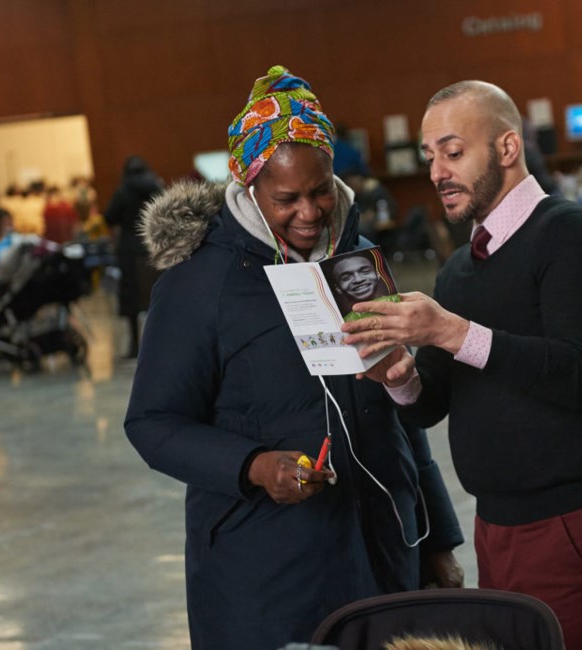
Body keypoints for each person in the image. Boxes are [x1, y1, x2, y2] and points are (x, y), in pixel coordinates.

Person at [124, 65, 464, 650]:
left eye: (320, 191)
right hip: (267, 571)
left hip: (385, 550)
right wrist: (254, 466)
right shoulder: (199, 285)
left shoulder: (356, 261)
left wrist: (434, 538)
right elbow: (152, 423)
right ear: (248, 186)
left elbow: (397, 409)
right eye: (287, 198)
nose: (309, 212)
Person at [341, 81, 582, 650]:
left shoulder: (571, 235)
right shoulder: (459, 269)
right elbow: (433, 404)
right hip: (495, 526)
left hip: (571, 520)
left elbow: (579, 375)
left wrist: (448, 330)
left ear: (506, 149)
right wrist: (399, 376)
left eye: (453, 153)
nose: (436, 172)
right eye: (430, 157)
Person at [103, 156, 164, 358]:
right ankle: (163, 342)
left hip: (129, 248)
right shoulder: (156, 187)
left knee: (132, 299)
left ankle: (134, 346)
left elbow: (109, 217)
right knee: (158, 295)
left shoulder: (123, 191)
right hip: (153, 245)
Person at [324, 250, 398, 320]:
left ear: (378, 275)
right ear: (338, 288)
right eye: (346, 278)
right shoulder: (336, 320)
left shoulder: (396, 307)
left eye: (365, 271)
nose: (358, 280)